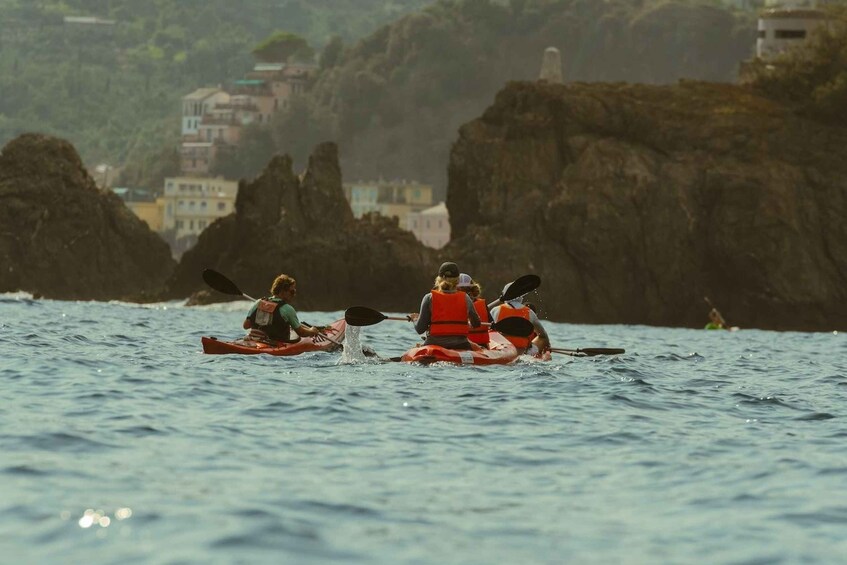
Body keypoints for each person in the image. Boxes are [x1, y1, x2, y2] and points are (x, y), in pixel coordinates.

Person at [409, 262, 481, 350]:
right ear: (457, 280)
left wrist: (415, 319)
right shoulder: (465, 298)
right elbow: (476, 324)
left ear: (439, 279)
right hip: (461, 345)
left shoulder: (429, 297)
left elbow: (420, 329)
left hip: (434, 344)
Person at [243, 274, 330, 343]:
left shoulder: (259, 302)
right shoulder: (287, 309)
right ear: (282, 291)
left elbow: (246, 326)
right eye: (292, 291)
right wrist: (312, 331)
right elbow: (301, 333)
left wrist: (263, 317)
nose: (294, 294)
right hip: (276, 345)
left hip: (255, 341)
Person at [489, 283, 550, 355]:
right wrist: (539, 347)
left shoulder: (496, 310)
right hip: (523, 351)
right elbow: (543, 336)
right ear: (521, 296)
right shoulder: (530, 312)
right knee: (543, 338)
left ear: (504, 295)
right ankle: (530, 352)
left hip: (501, 349)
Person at [457, 273, 491, 347]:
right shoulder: (481, 303)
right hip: (471, 345)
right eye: (461, 289)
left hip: (466, 344)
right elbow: (491, 322)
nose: (464, 292)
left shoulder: (452, 304)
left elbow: (491, 323)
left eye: (465, 289)